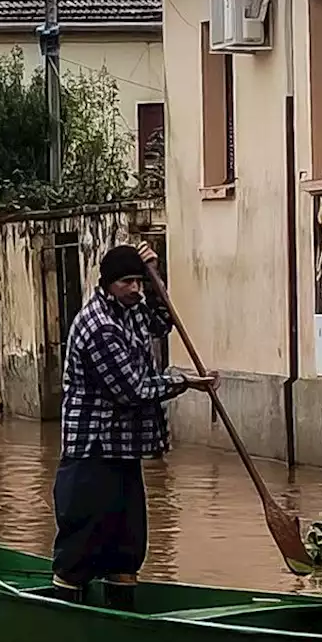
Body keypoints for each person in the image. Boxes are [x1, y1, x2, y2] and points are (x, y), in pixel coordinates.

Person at [51, 241, 218, 610]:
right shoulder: (99, 327)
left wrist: (157, 275)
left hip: (125, 448)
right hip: (92, 451)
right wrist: (186, 382)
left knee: (127, 545)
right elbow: (132, 390)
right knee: (81, 543)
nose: (135, 289)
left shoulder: (134, 309)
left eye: (138, 281)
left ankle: (122, 610)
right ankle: (65, 615)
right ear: (108, 283)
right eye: (128, 282)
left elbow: (164, 319)